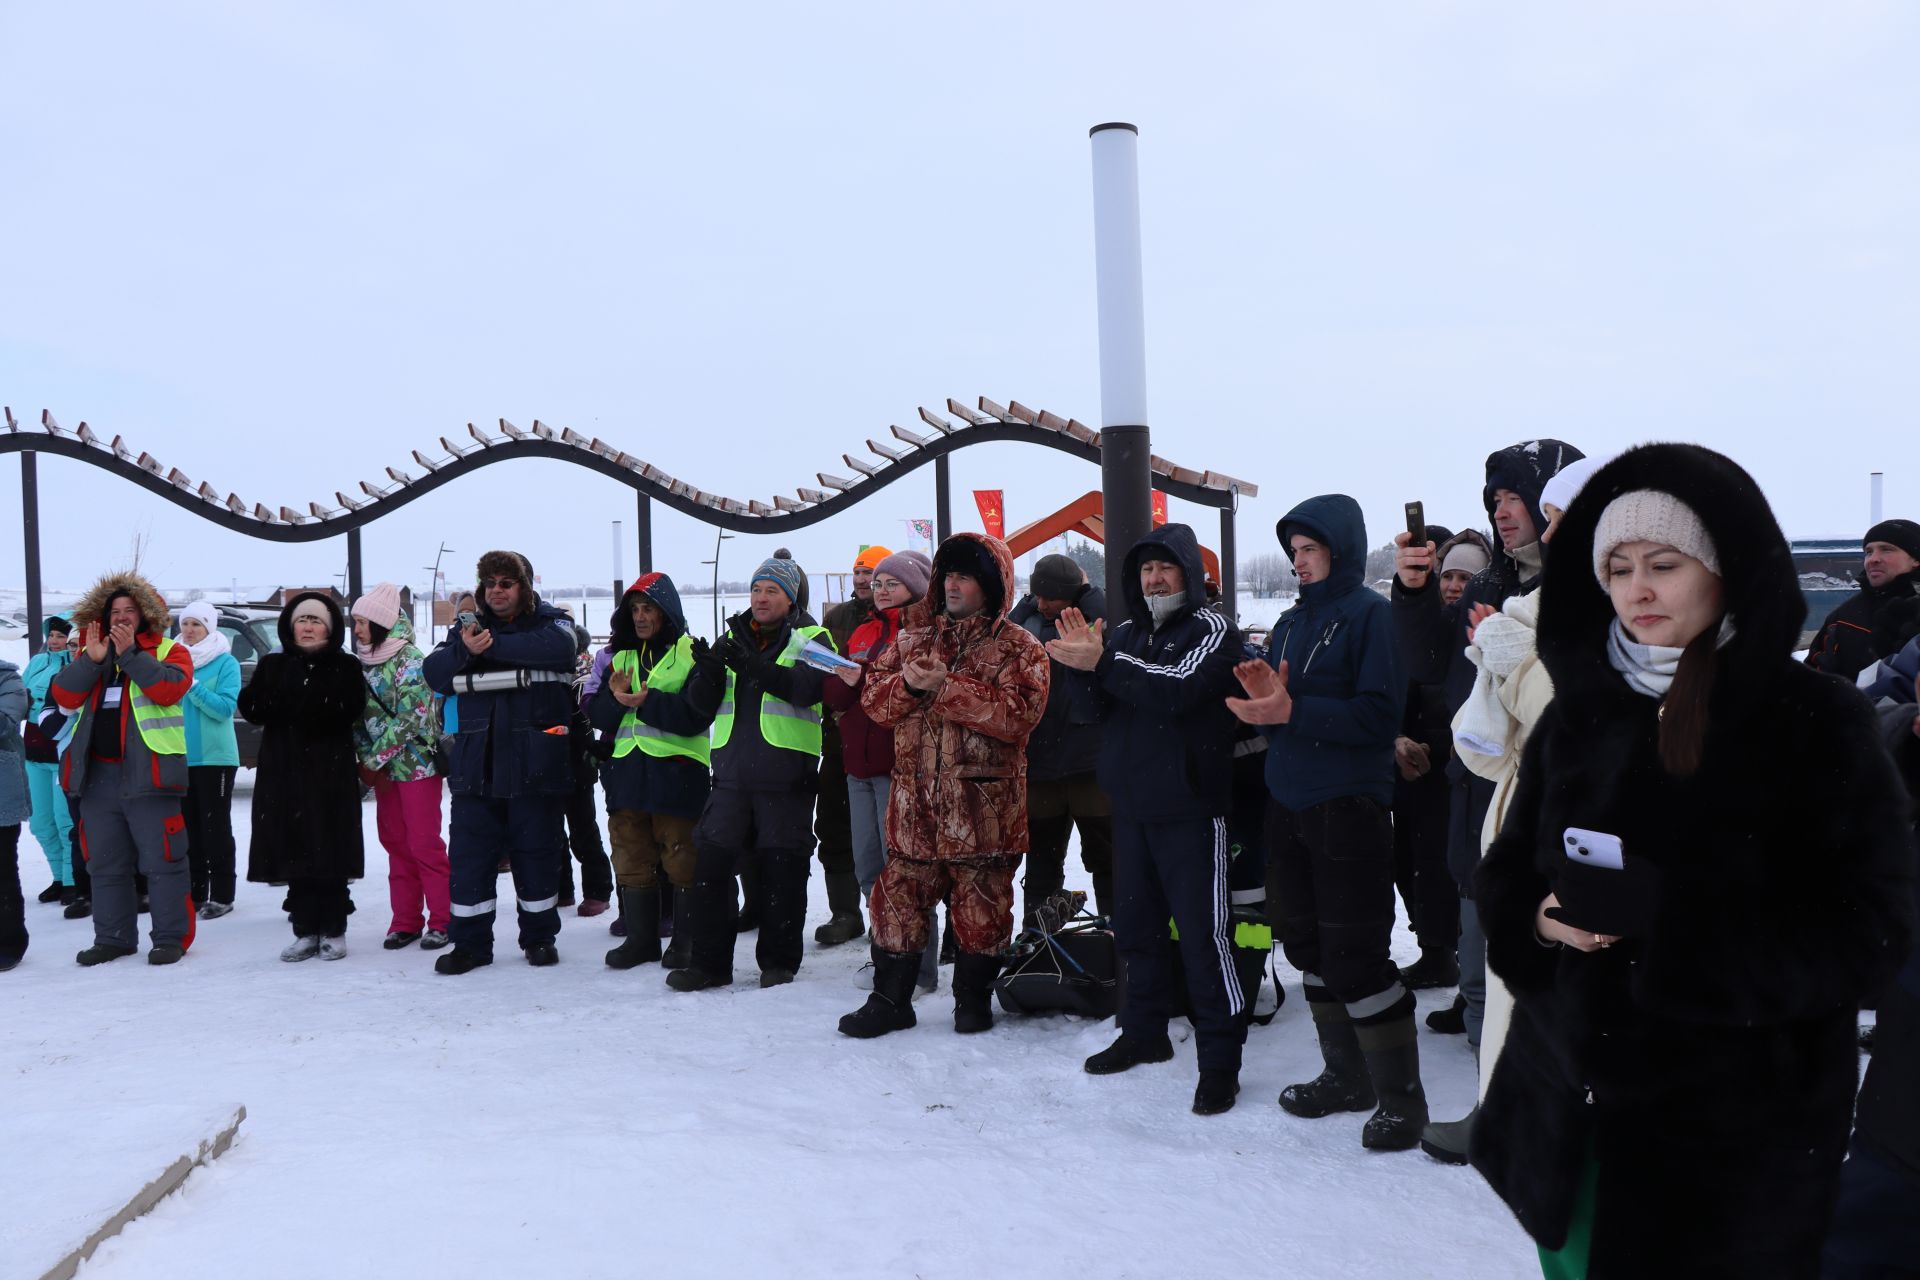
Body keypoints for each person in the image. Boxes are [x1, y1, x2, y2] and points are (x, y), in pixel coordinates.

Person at [1471, 444, 1915, 1277]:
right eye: (1619, 567)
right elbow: (1505, 877)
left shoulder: (1812, 723)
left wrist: (1677, 945)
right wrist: (1540, 919)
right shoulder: (1582, 713)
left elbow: (1874, 931)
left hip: (1730, 1139)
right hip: (1566, 1116)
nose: (1638, 590)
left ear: (1726, 570)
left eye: (1665, 565)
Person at [1419, 456, 1607, 1163]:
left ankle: (1545, 1127)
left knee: (1555, 981)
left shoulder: (1629, 616)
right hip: (1506, 808)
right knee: (1500, 975)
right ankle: (1503, 1109)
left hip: (1577, 829)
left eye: (1533, 506)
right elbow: (1483, 739)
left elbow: (1583, 730)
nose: (1540, 528)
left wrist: (1516, 662)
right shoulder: (1522, 599)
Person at [1228, 494, 1429, 1150]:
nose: (1299, 561)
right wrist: (1264, 709)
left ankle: (1403, 1101)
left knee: (1359, 956)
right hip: (1288, 805)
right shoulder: (1287, 625)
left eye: (1309, 549)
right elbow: (1282, 707)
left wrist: (1291, 712)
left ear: (1338, 547)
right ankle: (1345, 1076)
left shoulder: (1372, 617)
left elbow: (1378, 717)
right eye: (1293, 551)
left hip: (1349, 807)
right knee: (1306, 946)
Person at [1046, 525, 1247, 1114]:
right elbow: (1097, 711)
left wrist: (1102, 662)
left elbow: (1176, 691)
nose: (1154, 579)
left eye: (1166, 569)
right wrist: (1080, 670)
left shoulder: (1214, 631)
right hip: (1130, 808)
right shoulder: (1128, 632)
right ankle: (1143, 1033)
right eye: (1145, 571)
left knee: (1206, 941)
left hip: (1191, 811)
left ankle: (1219, 1063)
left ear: (1188, 572)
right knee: (1134, 933)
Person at [1392, 441, 1585, 1052]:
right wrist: (1416, 591)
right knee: (1480, 952)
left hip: (1554, 796)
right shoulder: (1488, 580)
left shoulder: (1592, 584)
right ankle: (1489, 1089)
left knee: (1546, 960)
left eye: (1516, 498)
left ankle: (1523, 1100)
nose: (1504, 512)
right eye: (1495, 499)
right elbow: (1426, 662)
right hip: (1478, 787)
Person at [837, 532, 1048, 1037]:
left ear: (992, 586)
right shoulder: (911, 640)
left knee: (982, 909)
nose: (953, 586)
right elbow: (875, 706)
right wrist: (910, 684)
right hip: (916, 812)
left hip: (983, 813)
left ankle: (971, 1002)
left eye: (966, 577)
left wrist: (946, 687)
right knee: (895, 901)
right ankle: (891, 999)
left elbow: (1017, 717)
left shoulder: (1022, 647)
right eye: (948, 575)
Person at [667, 554, 834, 991]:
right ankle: (708, 964)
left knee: (783, 872)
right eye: (757, 589)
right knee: (711, 869)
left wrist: (754, 666)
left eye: (772, 590)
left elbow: (808, 688)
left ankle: (778, 963)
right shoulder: (731, 638)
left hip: (786, 779)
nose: (761, 597)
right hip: (730, 778)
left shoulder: (815, 637)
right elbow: (701, 708)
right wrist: (705, 672)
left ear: (791, 597)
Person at [424, 552, 580, 974]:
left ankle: (539, 938)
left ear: (525, 588)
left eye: (506, 583)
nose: (496, 590)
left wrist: (483, 650)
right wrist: (464, 650)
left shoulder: (552, 623)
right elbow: (433, 671)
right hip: (477, 768)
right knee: (470, 859)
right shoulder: (466, 629)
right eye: (490, 582)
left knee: (537, 855)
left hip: (536, 765)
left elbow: (559, 648)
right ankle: (469, 945)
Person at [51, 572, 196, 966]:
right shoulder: (93, 652)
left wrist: (131, 655)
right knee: (105, 863)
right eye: (114, 611)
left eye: (130, 610)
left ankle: (170, 937)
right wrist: (93, 661)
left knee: (164, 861)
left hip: (150, 776)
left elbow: (168, 689)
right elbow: (63, 695)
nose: (121, 617)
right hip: (98, 778)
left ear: (146, 615)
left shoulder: (170, 651)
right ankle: (113, 938)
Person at [820, 549, 938, 992]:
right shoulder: (864, 629)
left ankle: (919, 969)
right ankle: (886, 954)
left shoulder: (927, 633)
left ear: (917, 587)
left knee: (906, 871)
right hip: (859, 767)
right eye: (879, 582)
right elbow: (836, 695)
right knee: (869, 869)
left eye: (893, 583)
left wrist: (866, 677)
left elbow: (918, 693)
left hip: (904, 768)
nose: (882, 589)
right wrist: (844, 679)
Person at [589, 572, 715, 969]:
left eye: (649, 609)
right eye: (635, 610)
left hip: (677, 776)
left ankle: (686, 942)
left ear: (668, 612)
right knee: (631, 858)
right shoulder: (621, 656)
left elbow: (697, 715)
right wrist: (615, 700)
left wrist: (644, 701)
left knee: (682, 860)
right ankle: (641, 941)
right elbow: (597, 714)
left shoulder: (693, 654)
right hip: (627, 775)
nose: (641, 617)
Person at [240, 593, 367, 961]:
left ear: (329, 628)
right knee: (293, 849)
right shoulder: (273, 664)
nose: (308, 627)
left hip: (330, 774)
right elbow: (253, 707)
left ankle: (334, 928)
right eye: (302, 620)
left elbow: (347, 709)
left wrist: (298, 703)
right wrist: (290, 697)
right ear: (290, 626)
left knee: (331, 850)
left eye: (316, 621)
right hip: (284, 773)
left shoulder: (345, 666)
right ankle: (304, 929)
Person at [1013, 553, 1115, 924]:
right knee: (1041, 859)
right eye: (1036, 595)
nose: (1041, 603)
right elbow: (999, 633)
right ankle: (1039, 945)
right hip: (1041, 764)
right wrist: (1026, 605)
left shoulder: (1096, 619)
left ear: (1072, 595)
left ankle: (1117, 945)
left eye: (1049, 597)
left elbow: (1118, 632)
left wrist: (1090, 596)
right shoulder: (1027, 621)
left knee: (1107, 858)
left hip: (1089, 764)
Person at [351, 584, 450, 951]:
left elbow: (410, 717)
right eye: (355, 622)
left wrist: (373, 759)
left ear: (379, 622)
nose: (357, 629)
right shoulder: (361, 662)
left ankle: (442, 920)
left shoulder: (411, 660)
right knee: (395, 842)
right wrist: (365, 754)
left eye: (362, 622)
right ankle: (405, 920)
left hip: (417, 768)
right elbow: (357, 718)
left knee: (424, 843)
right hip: (385, 770)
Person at [1392, 525, 1461, 990]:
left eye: (1462, 578)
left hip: (1450, 774)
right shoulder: (1409, 626)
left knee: (1444, 870)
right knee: (1408, 865)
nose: (1453, 587)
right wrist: (1394, 736)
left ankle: (1452, 956)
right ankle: (1433, 950)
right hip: (1406, 770)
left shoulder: (1468, 632)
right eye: (1445, 577)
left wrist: (1432, 745)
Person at [814, 545, 892, 946]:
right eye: (859, 573)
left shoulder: (905, 622)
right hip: (839, 743)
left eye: (873, 575)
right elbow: (826, 674)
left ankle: (903, 928)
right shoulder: (837, 619)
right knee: (834, 830)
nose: (864, 581)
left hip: (886, 749)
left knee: (894, 842)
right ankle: (846, 913)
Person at [175, 602, 242, 920]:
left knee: (215, 828)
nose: (189, 630)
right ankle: (196, 890)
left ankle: (223, 894)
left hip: (215, 758)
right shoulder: (172, 660)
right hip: (180, 756)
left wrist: (192, 686)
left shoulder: (224, 662)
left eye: (196, 625)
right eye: (185, 623)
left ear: (209, 629)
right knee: (189, 830)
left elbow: (224, 708)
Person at [1805, 518, 1920, 681]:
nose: (1873, 559)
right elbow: (1815, 682)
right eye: (1869, 552)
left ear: (1916, 559)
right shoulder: (1842, 618)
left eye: (1887, 550)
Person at [21, 617, 77, 905]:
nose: (55, 640)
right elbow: (20, 696)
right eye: (52, 635)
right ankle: (57, 876)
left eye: (61, 635)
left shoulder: (76, 663)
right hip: (32, 750)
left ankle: (71, 880)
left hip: (61, 752)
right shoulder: (38, 662)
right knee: (41, 822)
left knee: (64, 820)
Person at [0, 656, 28, 970]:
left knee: (2, 871)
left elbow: (6, 723)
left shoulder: (8, 680)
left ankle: (9, 943)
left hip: (2, 794)